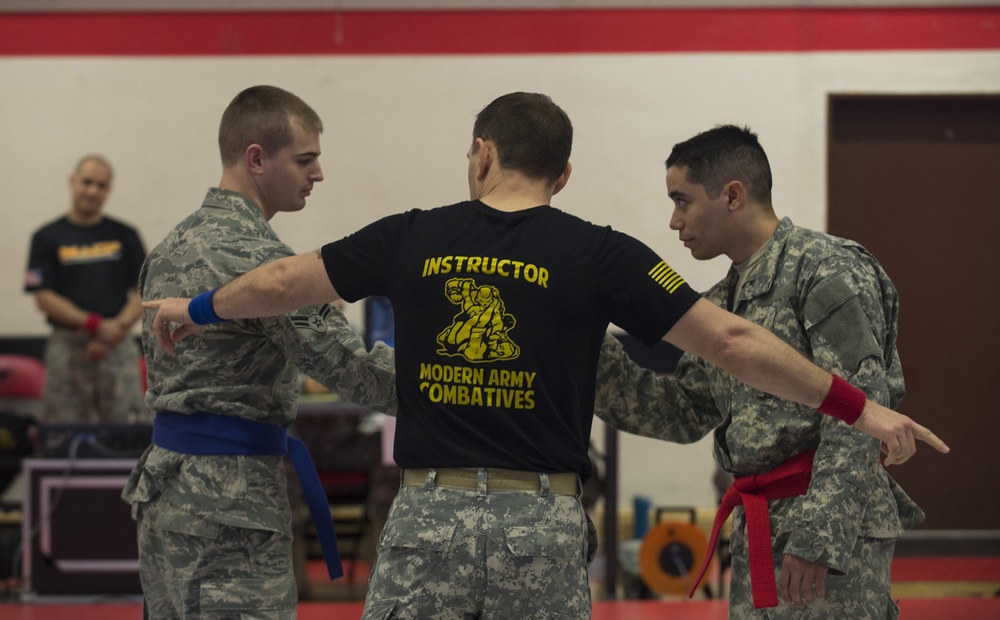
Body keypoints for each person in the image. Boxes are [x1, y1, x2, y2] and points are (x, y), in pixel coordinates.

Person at [144, 93, 946, 620]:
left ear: (480, 154)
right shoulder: (605, 256)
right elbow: (733, 346)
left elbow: (283, 281)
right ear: (563, 174)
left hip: (427, 520)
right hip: (542, 525)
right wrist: (859, 406)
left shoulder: (411, 234)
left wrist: (196, 305)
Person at [595, 124, 926, 618]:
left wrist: (818, 539)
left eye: (682, 200)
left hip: (828, 529)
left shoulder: (825, 268)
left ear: (732, 195)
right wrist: (583, 340)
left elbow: (858, 413)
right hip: (760, 529)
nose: (673, 221)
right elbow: (680, 412)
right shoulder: (721, 302)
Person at [121, 85, 397, 619]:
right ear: (256, 159)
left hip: (166, 492)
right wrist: (463, 376)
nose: (317, 174)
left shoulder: (170, 247)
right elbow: (360, 376)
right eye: (305, 159)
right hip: (230, 503)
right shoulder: (260, 262)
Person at [24, 154, 147, 424]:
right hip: (68, 348)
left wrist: (114, 329)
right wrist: (94, 324)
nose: (93, 191)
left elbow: (143, 292)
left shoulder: (125, 235)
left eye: (101, 185)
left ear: (109, 190)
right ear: (73, 182)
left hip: (117, 345)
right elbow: (43, 297)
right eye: (87, 182)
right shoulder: (46, 237)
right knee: (63, 433)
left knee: (124, 432)